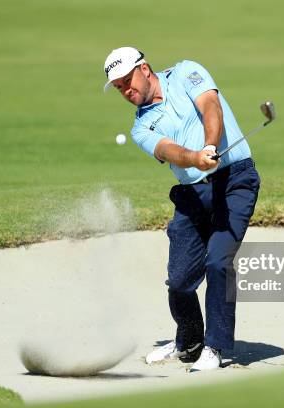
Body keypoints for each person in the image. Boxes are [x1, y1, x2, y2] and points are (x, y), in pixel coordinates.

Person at [103, 47, 260, 371]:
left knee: (218, 262)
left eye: (127, 81)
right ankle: (188, 342)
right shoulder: (140, 127)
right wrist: (195, 158)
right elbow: (170, 150)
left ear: (144, 69)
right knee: (179, 281)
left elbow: (210, 106)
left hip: (235, 181)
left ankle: (215, 347)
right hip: (192, 192)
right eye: (119, 88)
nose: (126, 91)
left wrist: (210, 146)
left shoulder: (186, 72)